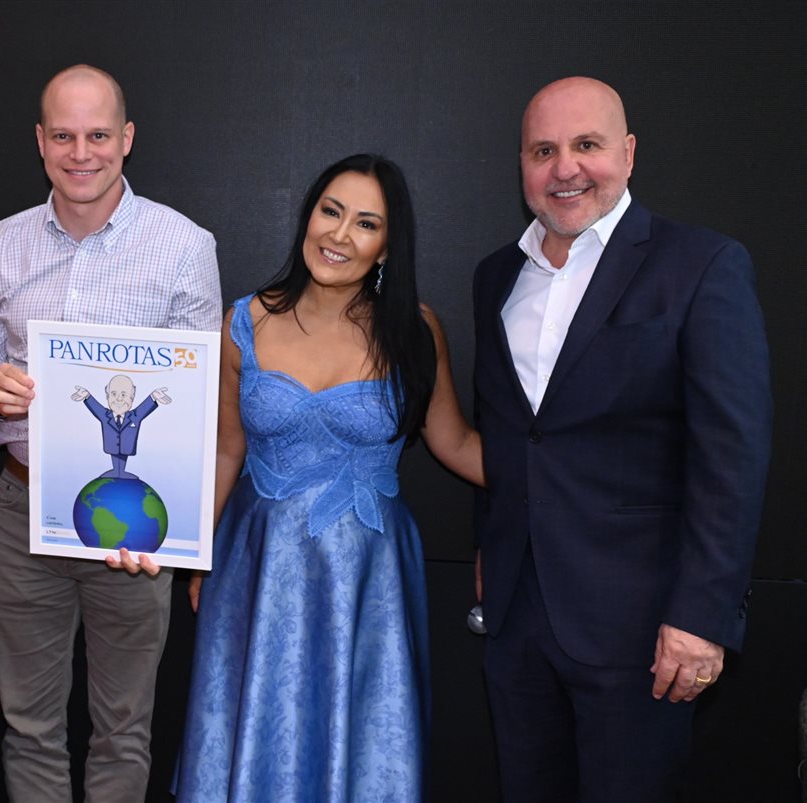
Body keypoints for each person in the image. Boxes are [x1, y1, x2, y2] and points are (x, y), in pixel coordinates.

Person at [472, 76, 772, 802]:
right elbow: (515, 435)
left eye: (587, 145)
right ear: (521, 163)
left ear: (629, 153)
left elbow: (731, 455)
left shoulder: (700, 265)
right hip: (518, 624)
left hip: (644, 630)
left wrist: (702, 618)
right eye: (544, 150)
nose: (565, 168)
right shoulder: (495, 279)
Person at [175, 154, 484, 802]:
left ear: (386, 247)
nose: (340, 235)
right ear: (308, 215)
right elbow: (228, 449)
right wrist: (194, 550)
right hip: (256, 569)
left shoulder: (416, 331)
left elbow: (454, 442)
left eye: (365, 223)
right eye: (331, 211)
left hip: (367, 579)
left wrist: (572, 470)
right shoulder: (245, 321)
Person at [0, 64, 221, 802]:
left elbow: (195, 397)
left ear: (126, 139)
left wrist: (171, 532)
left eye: (98, 134)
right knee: (29, 725)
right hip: (22, 513)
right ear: (40, 143)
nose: (82, 153)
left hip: (132, 523)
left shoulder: (182, 245)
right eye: (65, 136)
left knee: (124, 727)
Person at [72, 375, 171, 478]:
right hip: (112, 447)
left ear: (132, 398)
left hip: (126, 447)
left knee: (123, 455)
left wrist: (153, 397)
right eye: (113, 394)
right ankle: (116, 471)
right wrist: (87, 396)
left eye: (124, 395)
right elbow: (96, 408)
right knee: (115, 455)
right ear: (107, 396)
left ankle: (121, 472)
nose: (119, 399)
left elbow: (143, 409)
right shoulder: (105, 416)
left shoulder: (134, 416)